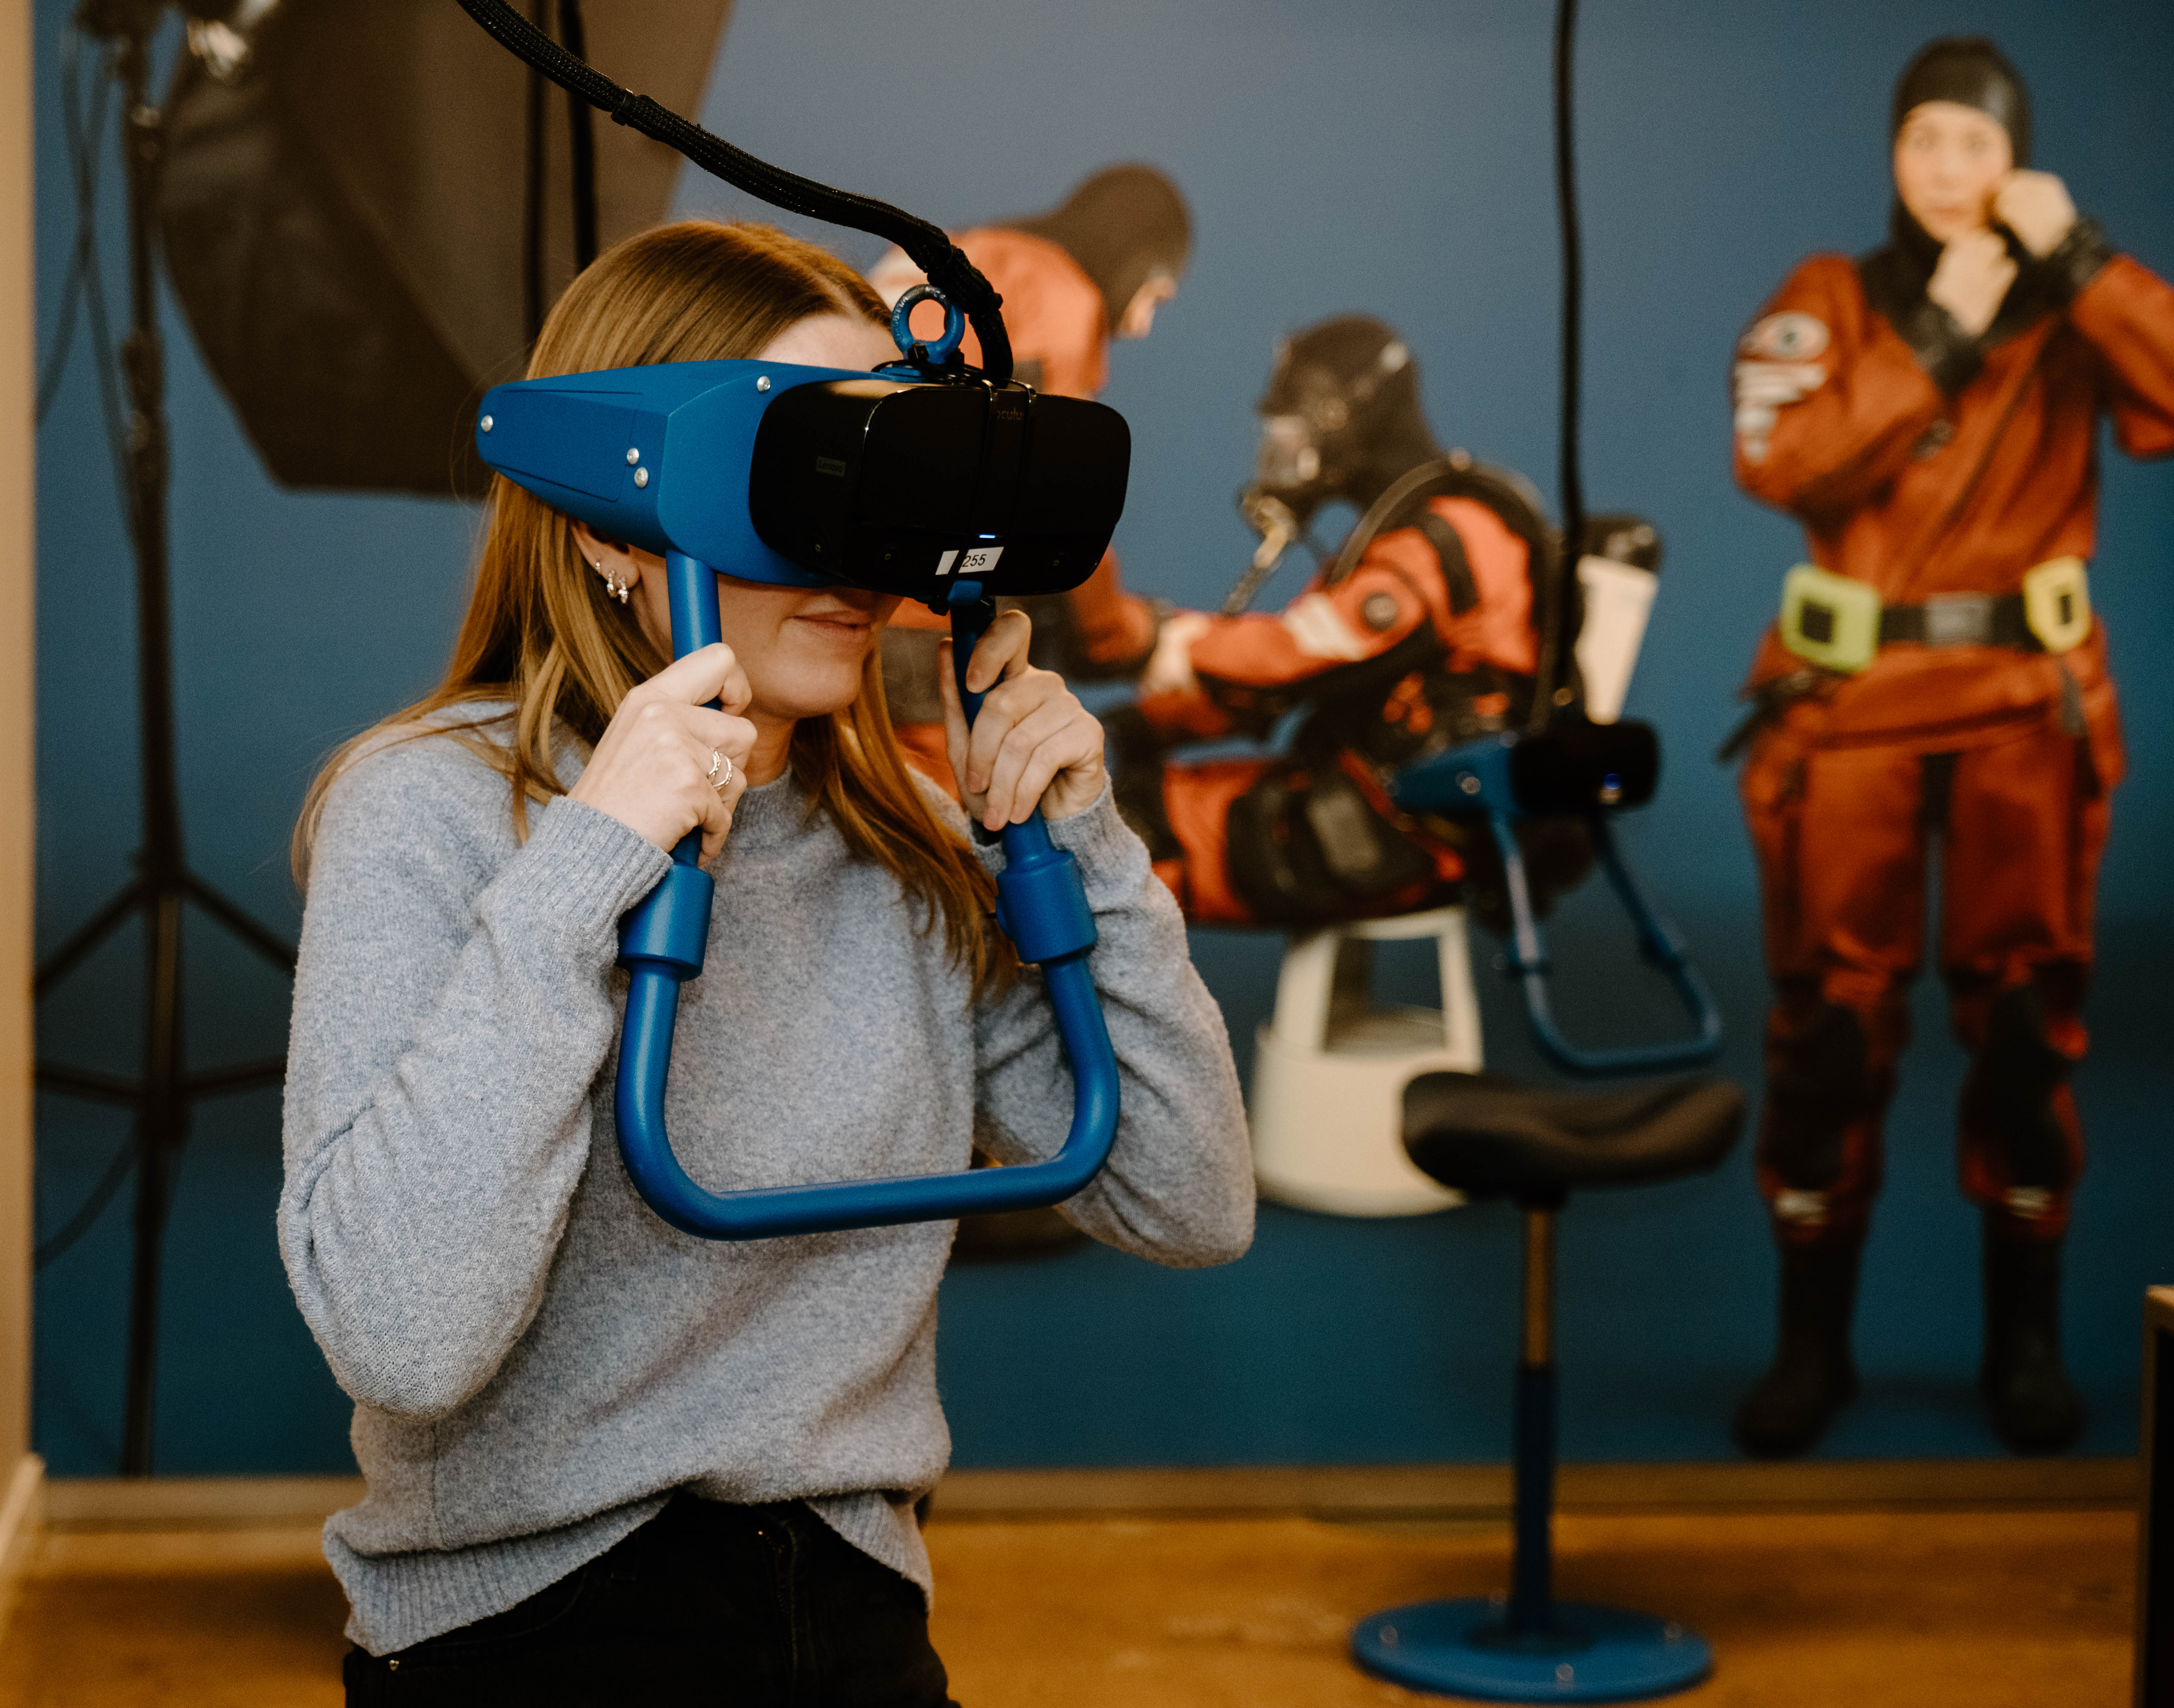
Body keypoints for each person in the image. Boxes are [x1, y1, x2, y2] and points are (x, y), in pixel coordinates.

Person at [280, 219, 1255, 1704]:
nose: (857, 554)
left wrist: (1089, 850)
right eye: (802, 473)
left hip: (850, 1612)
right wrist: (592, 868)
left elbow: (1189, 1201)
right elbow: (406, 1341)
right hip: (519, 1632)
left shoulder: (913, 846)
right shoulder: (430, 808)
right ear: (612, 518)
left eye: (884, 477)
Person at [1725, 37, 2174, 1458]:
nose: (1947, 170)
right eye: (1925, 142)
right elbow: (1781, 462)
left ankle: (2023, 1341)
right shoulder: (1836, 298)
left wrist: (2083, 255)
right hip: (1853, 711)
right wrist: (1934, 341)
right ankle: (1814, 1345)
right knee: (1829, 1034)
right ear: (1894, 156)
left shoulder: (2076, 308)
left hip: (2019, 712)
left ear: (2017, 162)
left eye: (1976, 145)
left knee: (2030, 1028)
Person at [1109, 315, 1619, 931]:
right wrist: (1124, 728)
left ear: (1337, 416)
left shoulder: (1445, 540)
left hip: (1411, 830)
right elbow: (1279, 683)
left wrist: (1152, 637)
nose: (1280, 448)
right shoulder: (1399, 535)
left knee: (1114, 834)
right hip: (1386, 802)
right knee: (1107, 806)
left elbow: (1296, 657)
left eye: (1292, 425)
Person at [867, 164, 1194, 794]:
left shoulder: (963, 255)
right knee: (947, 859)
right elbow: (1059, 492)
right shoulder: (1058, 294)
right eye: (1156, 293)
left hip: (835, 594)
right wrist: (1121, 633)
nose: (1143, 324)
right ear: (1131, 257)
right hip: (917, 628)